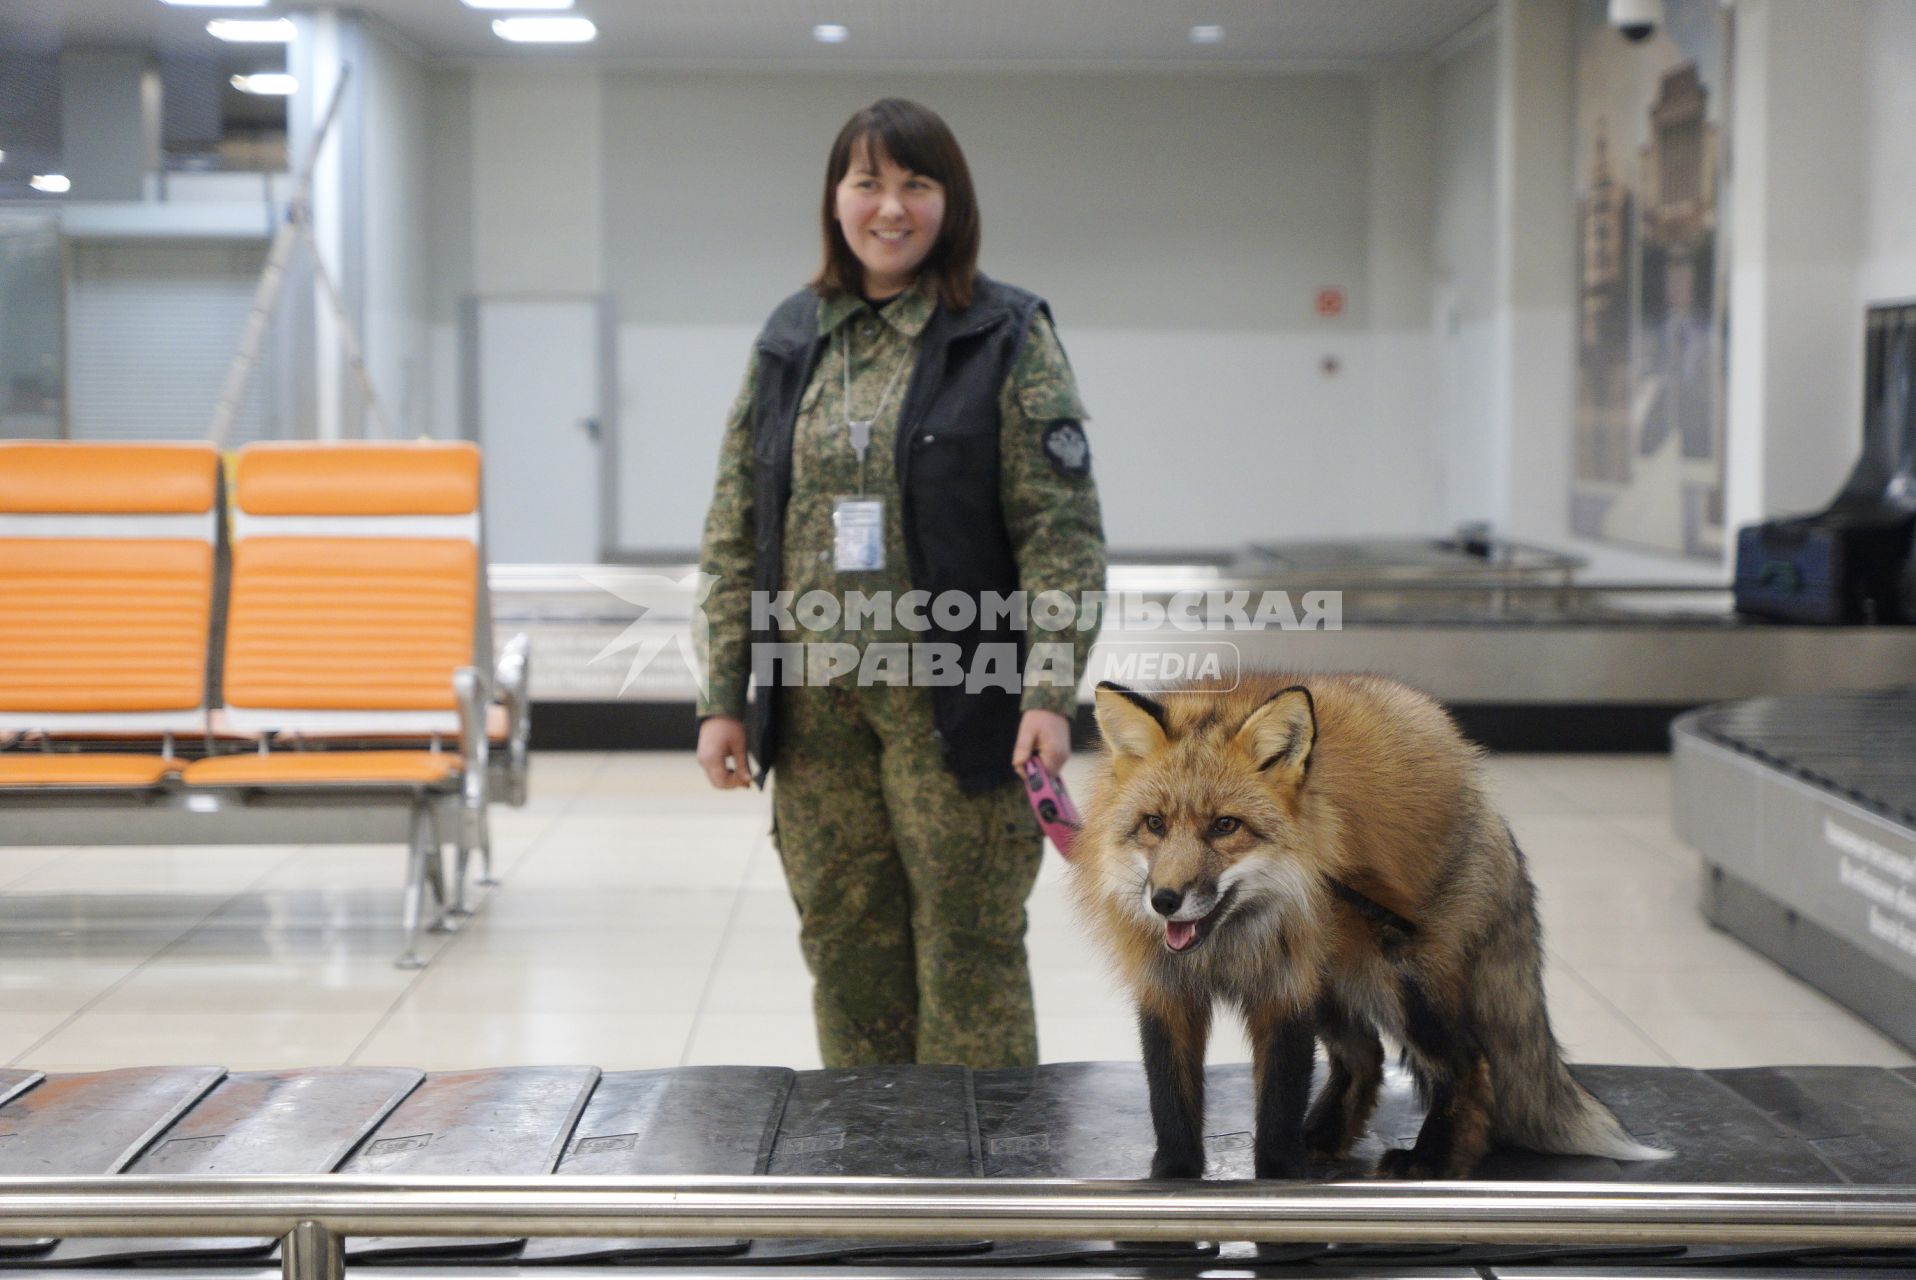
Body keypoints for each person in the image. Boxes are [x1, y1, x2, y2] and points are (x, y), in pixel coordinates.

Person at [693, 98, 1106, 1069]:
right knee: (844, 943)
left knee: (966, 944)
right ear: (834, 199)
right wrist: (722, 695)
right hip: (813, 706)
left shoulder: (1002, 333)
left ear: (948, 202)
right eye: (866, 181)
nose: (889, 206)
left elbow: (1061, 534)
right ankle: (872, 1182)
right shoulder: (791, 336)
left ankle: (984, 1197)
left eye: (915, 183)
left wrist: (1048, 689)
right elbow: (732, 525)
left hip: (954, 700)